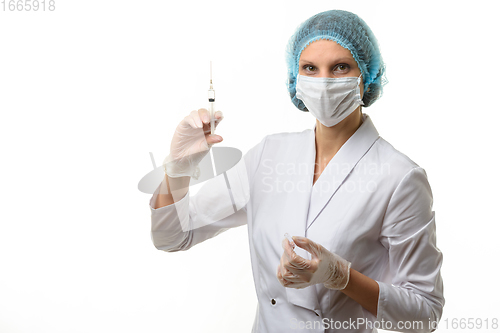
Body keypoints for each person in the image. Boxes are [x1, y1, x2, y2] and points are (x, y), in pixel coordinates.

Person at [149, 9, 444, 333]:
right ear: (296, 78)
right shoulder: (268, 155)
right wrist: (177, 170)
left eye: (340, 67)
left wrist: (341, 277)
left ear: (366, 76)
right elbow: (173, 236)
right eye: (310, 68)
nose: (324, 81)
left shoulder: (399, 178)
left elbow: (424, 314)